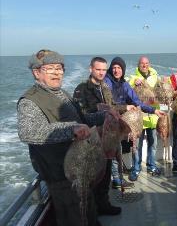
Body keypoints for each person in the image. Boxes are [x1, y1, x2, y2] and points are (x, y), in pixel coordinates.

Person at [17, 49, 115, 226]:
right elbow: (28, 131)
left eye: (60, 68)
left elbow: (82, 120)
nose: (57, 72)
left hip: (81, 167)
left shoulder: (63, 94)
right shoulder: (30, 100)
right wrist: (71, 129)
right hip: (61, 176)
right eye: (50, 68)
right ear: (36, 72)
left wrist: (105, 116)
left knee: (90, 213)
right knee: (75, 219)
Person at [73, 56, 126, 216]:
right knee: (94, 177)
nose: (102, 73)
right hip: (92, 140)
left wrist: (126, 108)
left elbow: (112, 107)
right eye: (98, 69)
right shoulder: (81, 89)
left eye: (104, 70)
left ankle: (104, 205)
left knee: (106, 174)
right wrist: (105, 114)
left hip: (107, 138)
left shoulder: (105, 88)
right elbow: (81, 118)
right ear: (91, 69)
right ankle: (93, 211)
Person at [104, 57, 165, 186]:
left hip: (122, 121)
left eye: (119, 68)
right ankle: (117, 179)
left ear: (123, 70)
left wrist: (154, 111)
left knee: (122, 148)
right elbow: (108, 104)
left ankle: (119, 175)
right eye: (114, 67)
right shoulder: (106, 82)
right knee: (115, 150)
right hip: (109, 121)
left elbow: (136, 102)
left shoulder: (124, 84)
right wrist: (125, 107)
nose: (116, 70)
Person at [128, 56, 161, 181]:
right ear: (138, 65)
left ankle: (151, 166)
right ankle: (136, 169)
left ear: (149, 64)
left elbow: (164, 88)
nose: (144, 65)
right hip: (138, 119)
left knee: (153, 144)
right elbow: (127, 87)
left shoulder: (155, 76)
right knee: (137, 145)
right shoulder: (133, 77)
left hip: (153, 117)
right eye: (142, 63)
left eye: (146, 63)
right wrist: (134, 83)